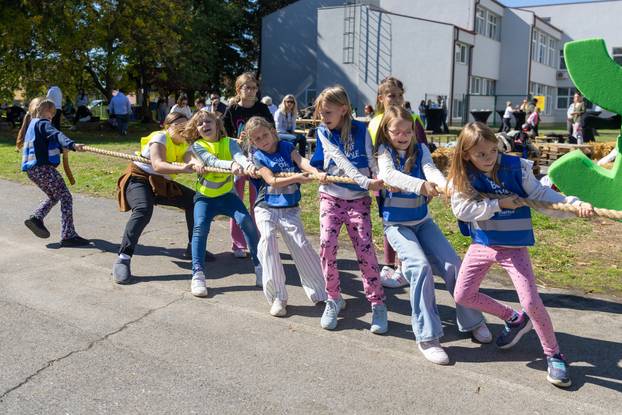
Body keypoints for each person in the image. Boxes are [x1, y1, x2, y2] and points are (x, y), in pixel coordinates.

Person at [447, 122, 595, 387]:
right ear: (466, 154)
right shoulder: (463, 174)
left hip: (514, 246)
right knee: (462, 295)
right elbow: (461, 210)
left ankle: (554, 355)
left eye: (492, 151)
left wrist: (574, 205)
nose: (488, 158)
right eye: (481, 154)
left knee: (530, 301)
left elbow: (541, 195)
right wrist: (498, 204)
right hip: (483, 243)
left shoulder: (516, 169)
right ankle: (514, 319)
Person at [375, 106, 490, 364]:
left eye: (408, 131)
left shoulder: (421, 150)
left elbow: (432, 172)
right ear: (386, 132)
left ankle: (472, 320)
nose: (403, 136)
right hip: (397, 226)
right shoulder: (384, 152)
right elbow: (390, 175)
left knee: (454, 265)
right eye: (397, 131)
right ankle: (427, 336)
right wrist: (421, 186)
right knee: (420, 267)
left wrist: (447, 187)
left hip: (423, 221)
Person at [309, 85, 387, 334]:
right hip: (331, 197)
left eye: (328, 112)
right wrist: (319, 173)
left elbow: (372, 160)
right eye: (321, 113)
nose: (323, 117)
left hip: (358, 200)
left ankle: (377, 303)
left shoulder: (362, 130)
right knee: (326, 245)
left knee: (365, 248)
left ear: (343, 110)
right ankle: (333, 298)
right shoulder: (323, 131)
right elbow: (334, 160)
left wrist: (378, 178)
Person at [245, 116, 328, 316]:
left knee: (301, 245)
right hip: (266, 207)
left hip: (289, 207)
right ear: (252, 142)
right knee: (267, 241)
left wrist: (315, 171)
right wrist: (297, 178)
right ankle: (278, 297)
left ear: (272, 132)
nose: (263, 140)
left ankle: (323, 293)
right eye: (257, 139)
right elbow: (272, 181)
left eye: (265, 135)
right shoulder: (258, 156)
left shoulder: (286, 146)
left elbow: (301, 161)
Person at [112, 112, 206, 284]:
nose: (183, 128)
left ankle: (193, 248)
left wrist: (196, 163)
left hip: (162, 183)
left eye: (186, 124)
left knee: (195, 201)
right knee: (143, 209)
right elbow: (157, 165)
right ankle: (123, 258)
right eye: (178, 125)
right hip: (139, 178)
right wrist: (183, 169)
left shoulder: (185, 143)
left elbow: (189, 157)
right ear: (167, 126)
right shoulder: (160, 137)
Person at [187, 110, 262, 297]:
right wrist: (231, 166)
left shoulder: (229, 143)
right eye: (200, 124)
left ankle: (260, 267)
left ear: (217, 124)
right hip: (204, 198)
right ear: (196, 130)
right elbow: (211, 161)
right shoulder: (198, 146)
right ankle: (198, 274)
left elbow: (239, 157)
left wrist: (247, 165)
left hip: (228, 196)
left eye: (208, 121)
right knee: (199, 228)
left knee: (246, 222)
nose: (205, 125)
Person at [367, 77, 428, 288]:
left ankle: (404, 267)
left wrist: (424, 181)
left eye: (400, 95)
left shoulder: (413, 119)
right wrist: (378, 178)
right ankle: (389, 264)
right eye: (391, 95)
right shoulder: (375, 122)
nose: (397, 99)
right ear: (381, 98)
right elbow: (371, 153)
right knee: (389, 221)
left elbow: (423, 149)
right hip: (385, 183)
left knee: (408, 222)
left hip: (413, 183)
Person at [20, 98, 90, 247]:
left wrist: (62, 149)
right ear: (46, 111)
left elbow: (42, 146)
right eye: (52, 113)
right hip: (43, 169)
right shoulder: (43, 123)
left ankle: (36, 218)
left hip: (32, 171)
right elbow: (57, 134)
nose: (52, 117)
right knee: (66, 196)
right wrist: (72, 145)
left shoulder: (32, 125)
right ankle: (68, 235)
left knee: (55, 195)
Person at [223, 72, 274, 258]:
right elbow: (223, 135)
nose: (251, 91)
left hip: (259, 160)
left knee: (257, 203)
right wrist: (236, 139)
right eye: (247, 87)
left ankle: (258, 241)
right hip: (238, 160)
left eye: (254, 87)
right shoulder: (232, 110)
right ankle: (238, 243)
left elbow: (271, 130)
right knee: (237, 201)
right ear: (239, 89)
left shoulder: (262, 108)